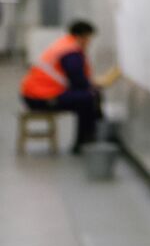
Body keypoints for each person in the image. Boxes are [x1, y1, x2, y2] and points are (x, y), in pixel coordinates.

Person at [21, 20, 119, 152]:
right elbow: (78, 81)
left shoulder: (65, 45)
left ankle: (91, 138)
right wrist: (96, 85)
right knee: (89, 98)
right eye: (89, 38)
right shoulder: (71, 52)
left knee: (90, 96)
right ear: (81, 36)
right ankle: (85, 142)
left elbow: (75, 80)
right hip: (41, 98)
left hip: (36, 94)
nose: (89, 42)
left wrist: (91, 85)